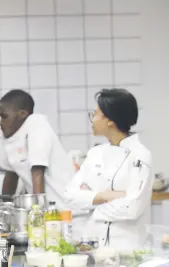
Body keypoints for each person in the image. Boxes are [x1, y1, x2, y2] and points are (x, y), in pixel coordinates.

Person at [64, 88, 153, 250]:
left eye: (96, 114)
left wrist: (92, 208)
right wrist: (103, 196)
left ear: (110, 120)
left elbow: (132, 207)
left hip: (127, 250)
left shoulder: (140, 156)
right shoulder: (95, 153)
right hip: (94, 248)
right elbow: (70, 196)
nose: (92, 120)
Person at [0, 89, 75, 208]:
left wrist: (39, 212)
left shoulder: (36, 124)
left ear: (22, 114)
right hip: (47, 209)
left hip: (65, 209)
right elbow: (11, 176)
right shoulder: (14, 137)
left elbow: (38, 170)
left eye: (4, 116)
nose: (0, 122)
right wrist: (2, 209)